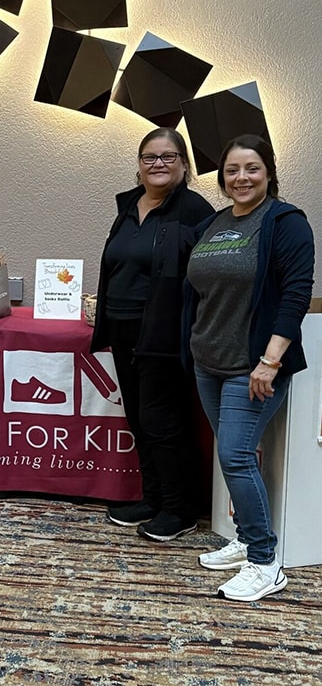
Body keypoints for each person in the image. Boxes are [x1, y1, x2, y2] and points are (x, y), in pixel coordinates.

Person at [185, 134, 314, 601]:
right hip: (208, 361)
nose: (241, 178)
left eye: (252, 168)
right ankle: (244, 540)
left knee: (236, 456)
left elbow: (296, 293)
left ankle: (264, 561)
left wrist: (270, 361)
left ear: (269, 172)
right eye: (233, 170)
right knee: (235, 453)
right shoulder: (216, 223)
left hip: (253, 365)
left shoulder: (285, 221)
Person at [91, 128, 214, 541]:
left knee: (162, 420)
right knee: (139, 420)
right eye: (149, 157)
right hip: (121, 329)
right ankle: (154, 497)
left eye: (168, 156)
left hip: (163, 333)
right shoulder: (128, 207)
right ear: (139, 164)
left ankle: (180, 509)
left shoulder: (195, 212)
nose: (158, 164)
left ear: (184, 164)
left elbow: (205, 277)